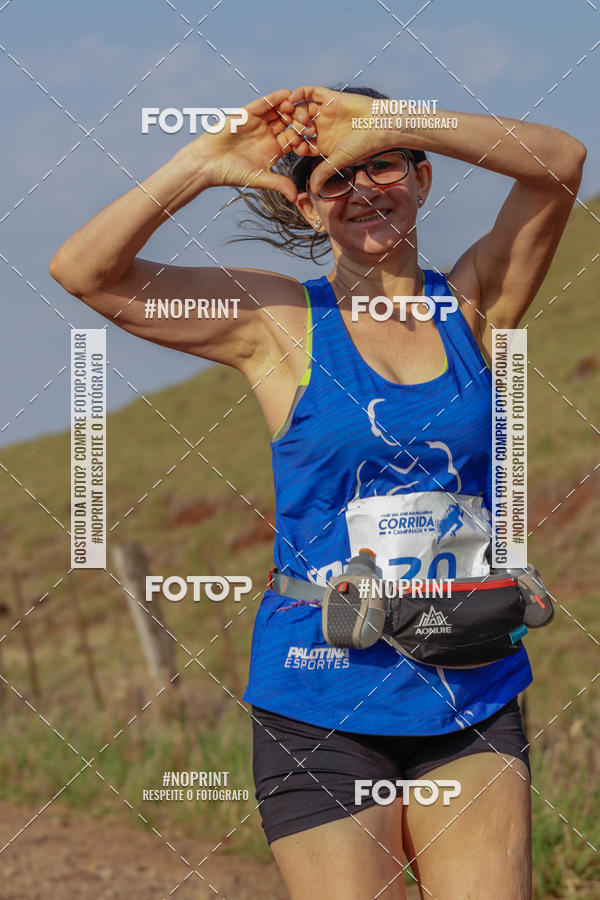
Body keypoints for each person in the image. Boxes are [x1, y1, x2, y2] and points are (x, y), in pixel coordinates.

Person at [49, 85, 585, 899]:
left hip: (468, 682)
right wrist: (205, 161)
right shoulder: (279, 323)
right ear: (306, 206)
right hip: (320, 689)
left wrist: (390, 118)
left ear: (422, 175)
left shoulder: (476, 305)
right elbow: (84, 271)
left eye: (384, 166)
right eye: (335, 179)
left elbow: (561, 164)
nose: (365, 189)